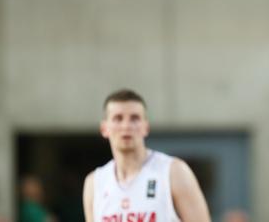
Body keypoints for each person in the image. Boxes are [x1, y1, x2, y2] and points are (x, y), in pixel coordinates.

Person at [82, 89, 211, 222]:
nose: (126, 126)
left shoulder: (173, 171)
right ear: (104, 128)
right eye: (118, 118)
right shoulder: (95, 182)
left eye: (134, 118)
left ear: (146, 127)